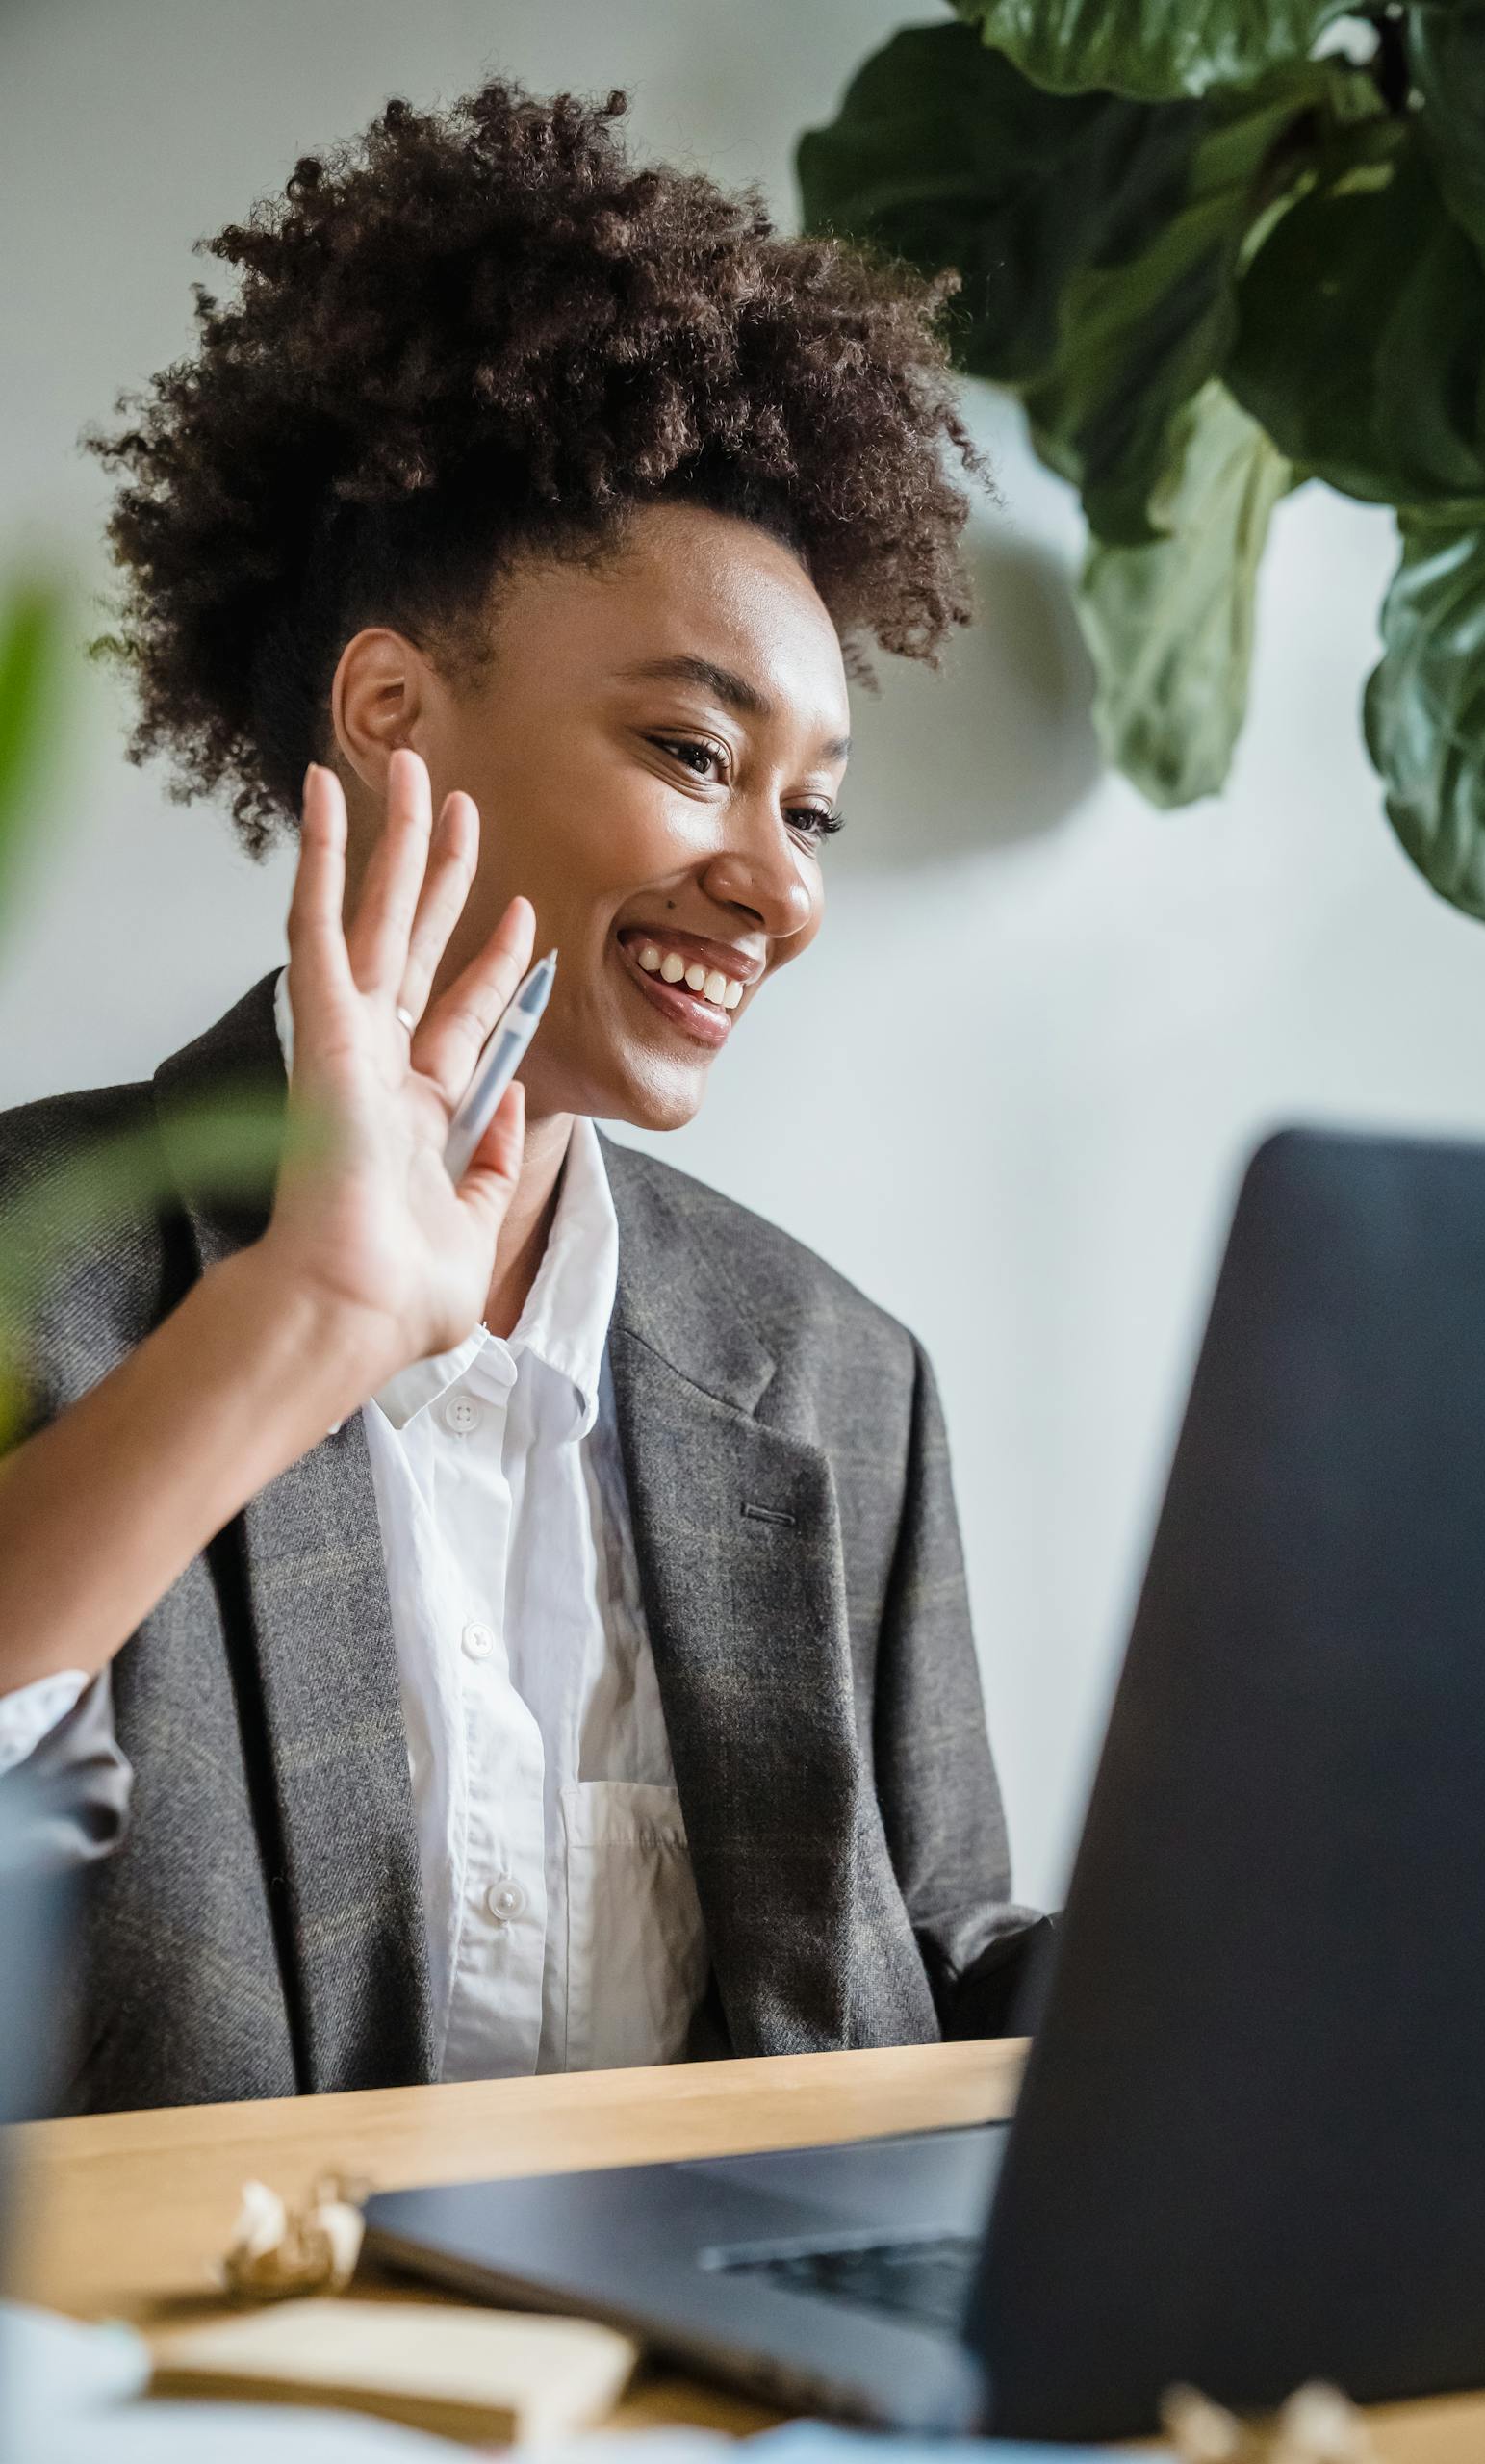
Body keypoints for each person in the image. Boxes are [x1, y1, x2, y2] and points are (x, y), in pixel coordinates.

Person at [0, 82, 1049, 2116]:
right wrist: (299, 1319)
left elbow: (930, 1981)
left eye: (812, 802)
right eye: (689, 749)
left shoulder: (838, 1375)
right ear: (394, 713)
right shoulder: (39, 1262)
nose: (781, 881)